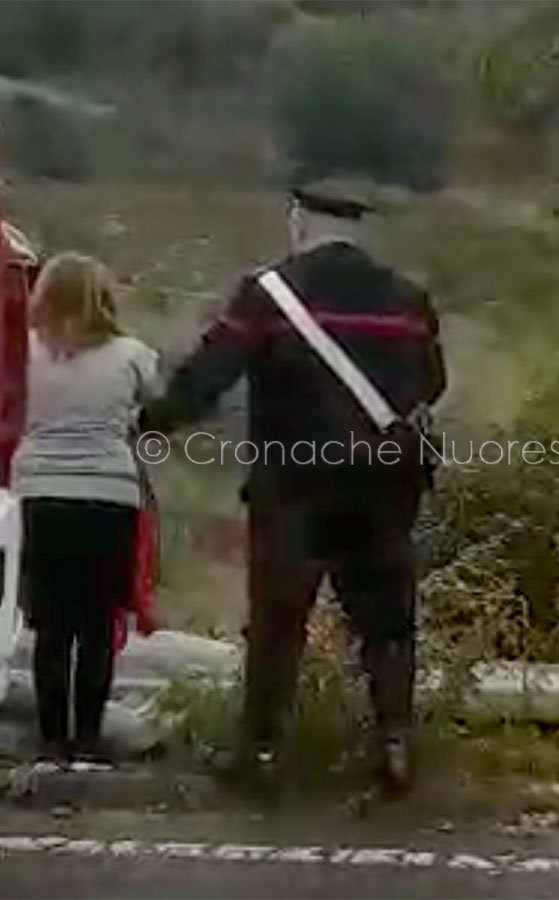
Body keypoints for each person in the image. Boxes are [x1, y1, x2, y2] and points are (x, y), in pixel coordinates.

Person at [143, 179, 446, 794]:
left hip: (294, 486)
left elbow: (208, 377)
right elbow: (431, 383)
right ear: (364, 230)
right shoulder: (410, 299)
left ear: (298, 221)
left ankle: (259, 756)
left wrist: (152, 421)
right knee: (387, 623)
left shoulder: (266, 295)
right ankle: (394, 746)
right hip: (385, 484)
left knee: (279, 624)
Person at [11, 252, 161, 762]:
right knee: (98, 626)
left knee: (49, 627)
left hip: (39, 494)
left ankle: (51, 741)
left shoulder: (20, 351)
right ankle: (89, 738)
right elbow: (157, 411)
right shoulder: (133, 354)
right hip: (108, 499)